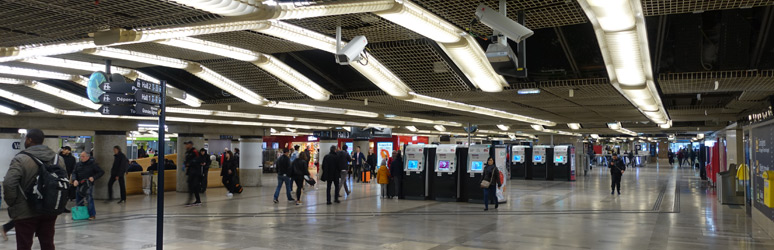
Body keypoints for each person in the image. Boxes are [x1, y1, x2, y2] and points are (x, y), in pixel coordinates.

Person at [3, 129, 66, 249]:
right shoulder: (59, 159)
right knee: (47, 243)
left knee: (24, 245)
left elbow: (8, 183)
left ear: (30, 140)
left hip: (25, 211)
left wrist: (13, 203)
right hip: (50, 208)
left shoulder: (21, 159)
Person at [72, 151, 104, 220]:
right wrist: (74, 180)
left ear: (87, 157)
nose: (82, 158)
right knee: (78, 199)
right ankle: (80, 214)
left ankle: (92, 214)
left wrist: (93, 177)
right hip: (79, 184)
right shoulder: (78, 164)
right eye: (81, 156)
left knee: (89, 199)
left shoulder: (93, 164)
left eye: (83, 156)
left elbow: (101, 172)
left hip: (88, 185)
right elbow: (74, 173)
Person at [183, 141, 204, 206]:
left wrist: (190, 163)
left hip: (195, 172)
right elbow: (186, 161)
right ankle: (197, 200)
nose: (186, 146)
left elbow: (199, 160)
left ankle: (191, 200)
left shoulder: (195, 151)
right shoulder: (187, 152)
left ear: (190, 145)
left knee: (193, 186)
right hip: (190, 172)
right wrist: (185, 164)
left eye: (187, 144)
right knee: (192, 186)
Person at [59, 146, 76, 210]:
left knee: (66, 193)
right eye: (63, 149)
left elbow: (73, 169)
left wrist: (71, 179)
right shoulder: (59, 157)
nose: (63, 150)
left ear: (69, 151)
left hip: (67, 177)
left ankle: (63, 207)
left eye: (65, 149)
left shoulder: (72, 159)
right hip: (59, 177)